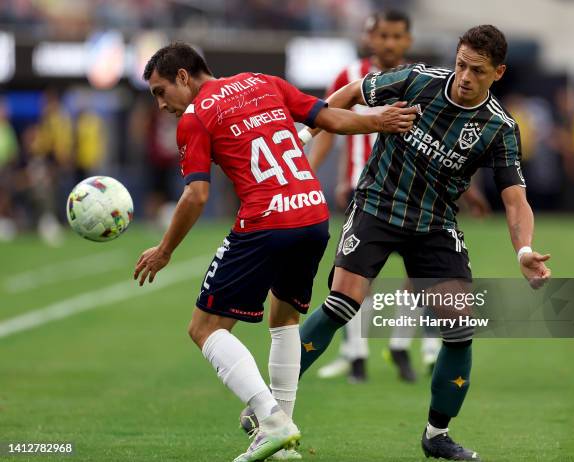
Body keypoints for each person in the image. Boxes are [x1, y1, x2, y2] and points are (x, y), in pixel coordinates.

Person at [243, 25, 552, 460]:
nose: (464, 76)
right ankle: (266, 407)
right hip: (377, 206)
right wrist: (305, 135)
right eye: (461, 64)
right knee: (342, 303)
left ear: (497, 73)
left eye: (477, 71)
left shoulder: (498, 128)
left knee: (459, 329)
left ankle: (437, 435)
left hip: (434, 223)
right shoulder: (417, 81)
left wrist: (523, 250)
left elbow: (515, 200)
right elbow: (349, 93)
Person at [133, 42, 417, 462]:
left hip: (266, 220)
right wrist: (378, 121)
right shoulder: (263, 83)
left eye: (160, 91)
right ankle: (282, 440)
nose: (160, 104)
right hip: (312, 214)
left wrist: (165, 249)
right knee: (284, 319)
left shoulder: (195, 117)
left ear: (182, 76)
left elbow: (196, 195)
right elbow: (328, 118)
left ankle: (270, 419)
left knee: (204, 328)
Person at [309, 10, 490, 383]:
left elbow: (445, 149)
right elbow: (328, 122)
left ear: (407, 40)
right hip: (365, 188)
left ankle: (399, 345)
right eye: (383, 36)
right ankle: (356, 355)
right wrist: (309, 168)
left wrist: (469, 193)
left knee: (417, 280)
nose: (389, 43)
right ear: (369, 38)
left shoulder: (424, 79)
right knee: (358, 279)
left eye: (397, 37)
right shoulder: (349, 76)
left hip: (418, 196)